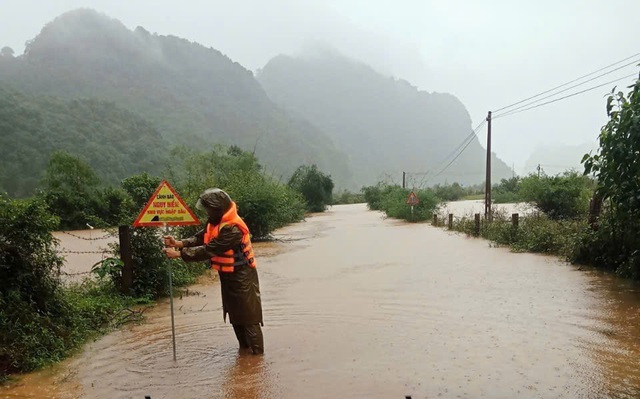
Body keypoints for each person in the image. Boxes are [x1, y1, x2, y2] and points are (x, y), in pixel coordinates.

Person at [162, 188, 264, 355]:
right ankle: (244, 355)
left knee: (249, 318)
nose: (207, 212)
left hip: (243, 277)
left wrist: (179, 254)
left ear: (218, 208)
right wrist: (179, 243)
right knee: (235, 317)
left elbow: (210, 249)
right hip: (227, 276)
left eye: (209, 208)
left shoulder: (233, 229)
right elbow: (201, 237)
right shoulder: (214, 222)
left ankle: (257, 361)